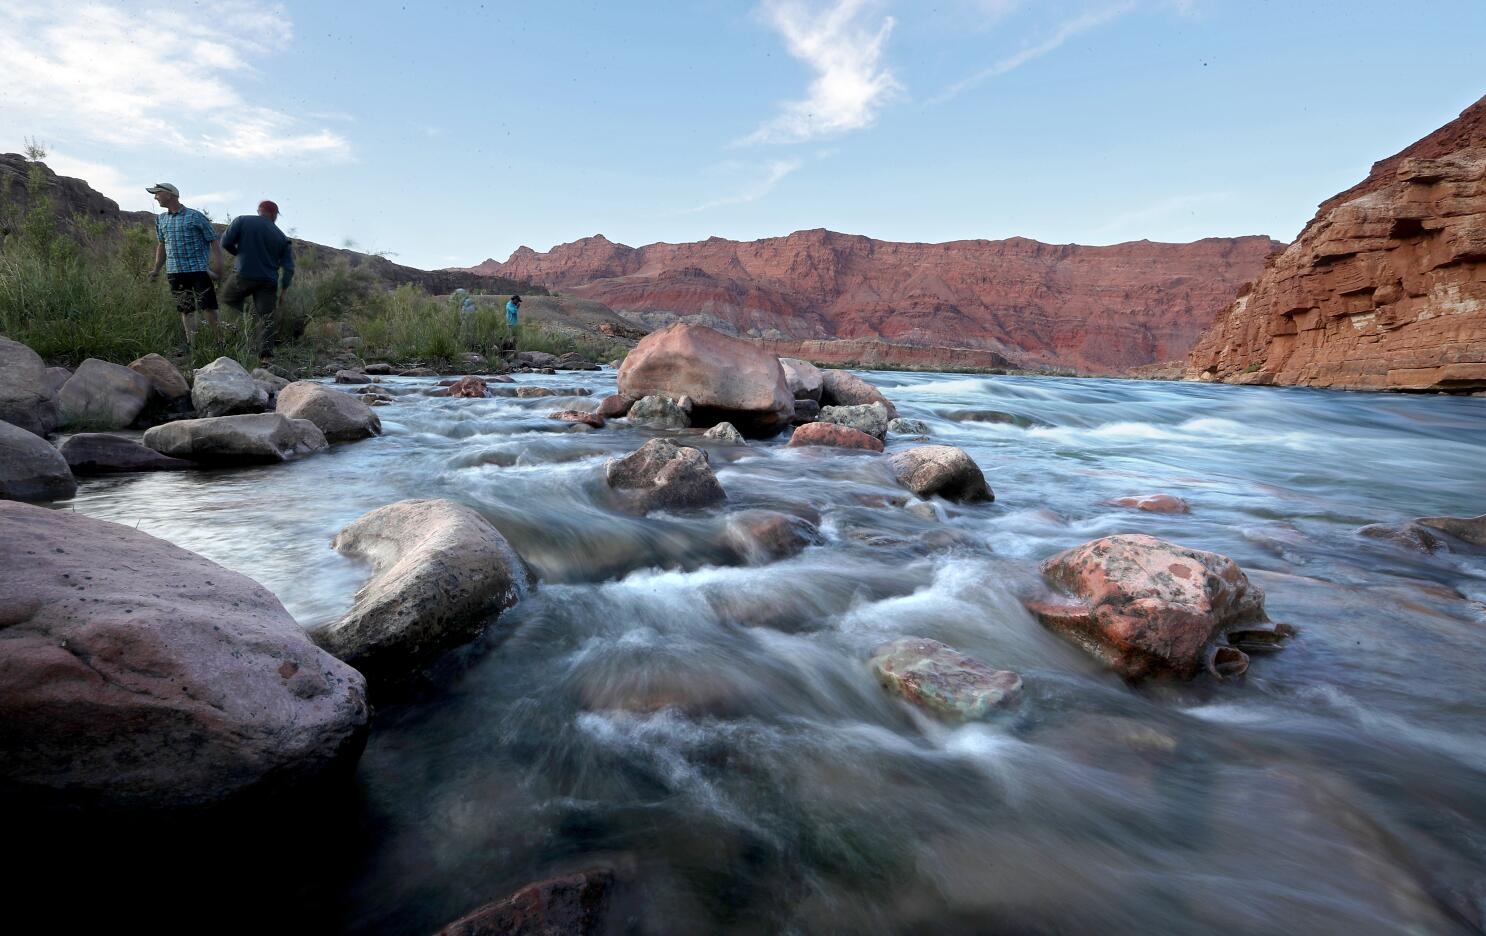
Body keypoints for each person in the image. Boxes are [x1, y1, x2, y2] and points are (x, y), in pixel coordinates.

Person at [146, 182, 225, 343]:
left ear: (170, 194)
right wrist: (156, 269)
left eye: (157, 193)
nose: (155, 197)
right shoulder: (161, 219)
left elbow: (213, 241)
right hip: (175, 271)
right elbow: (162, 244)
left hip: (198, 270)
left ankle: (221, 342)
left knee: (209, 307)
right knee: (185, 309)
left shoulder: (195, 216)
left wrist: (218, 267)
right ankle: (192, 344)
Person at [220, 200, 295, 364]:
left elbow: (225, 242)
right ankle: (265, 357)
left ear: (259, 210)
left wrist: (239, 254)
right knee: (267, 317)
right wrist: (283, 291)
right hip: (268, 281)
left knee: (228, 297)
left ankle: (253, 315)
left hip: (243, 274)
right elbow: (289, 268)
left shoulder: (242, 220)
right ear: (275, 215)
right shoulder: (282, 237)